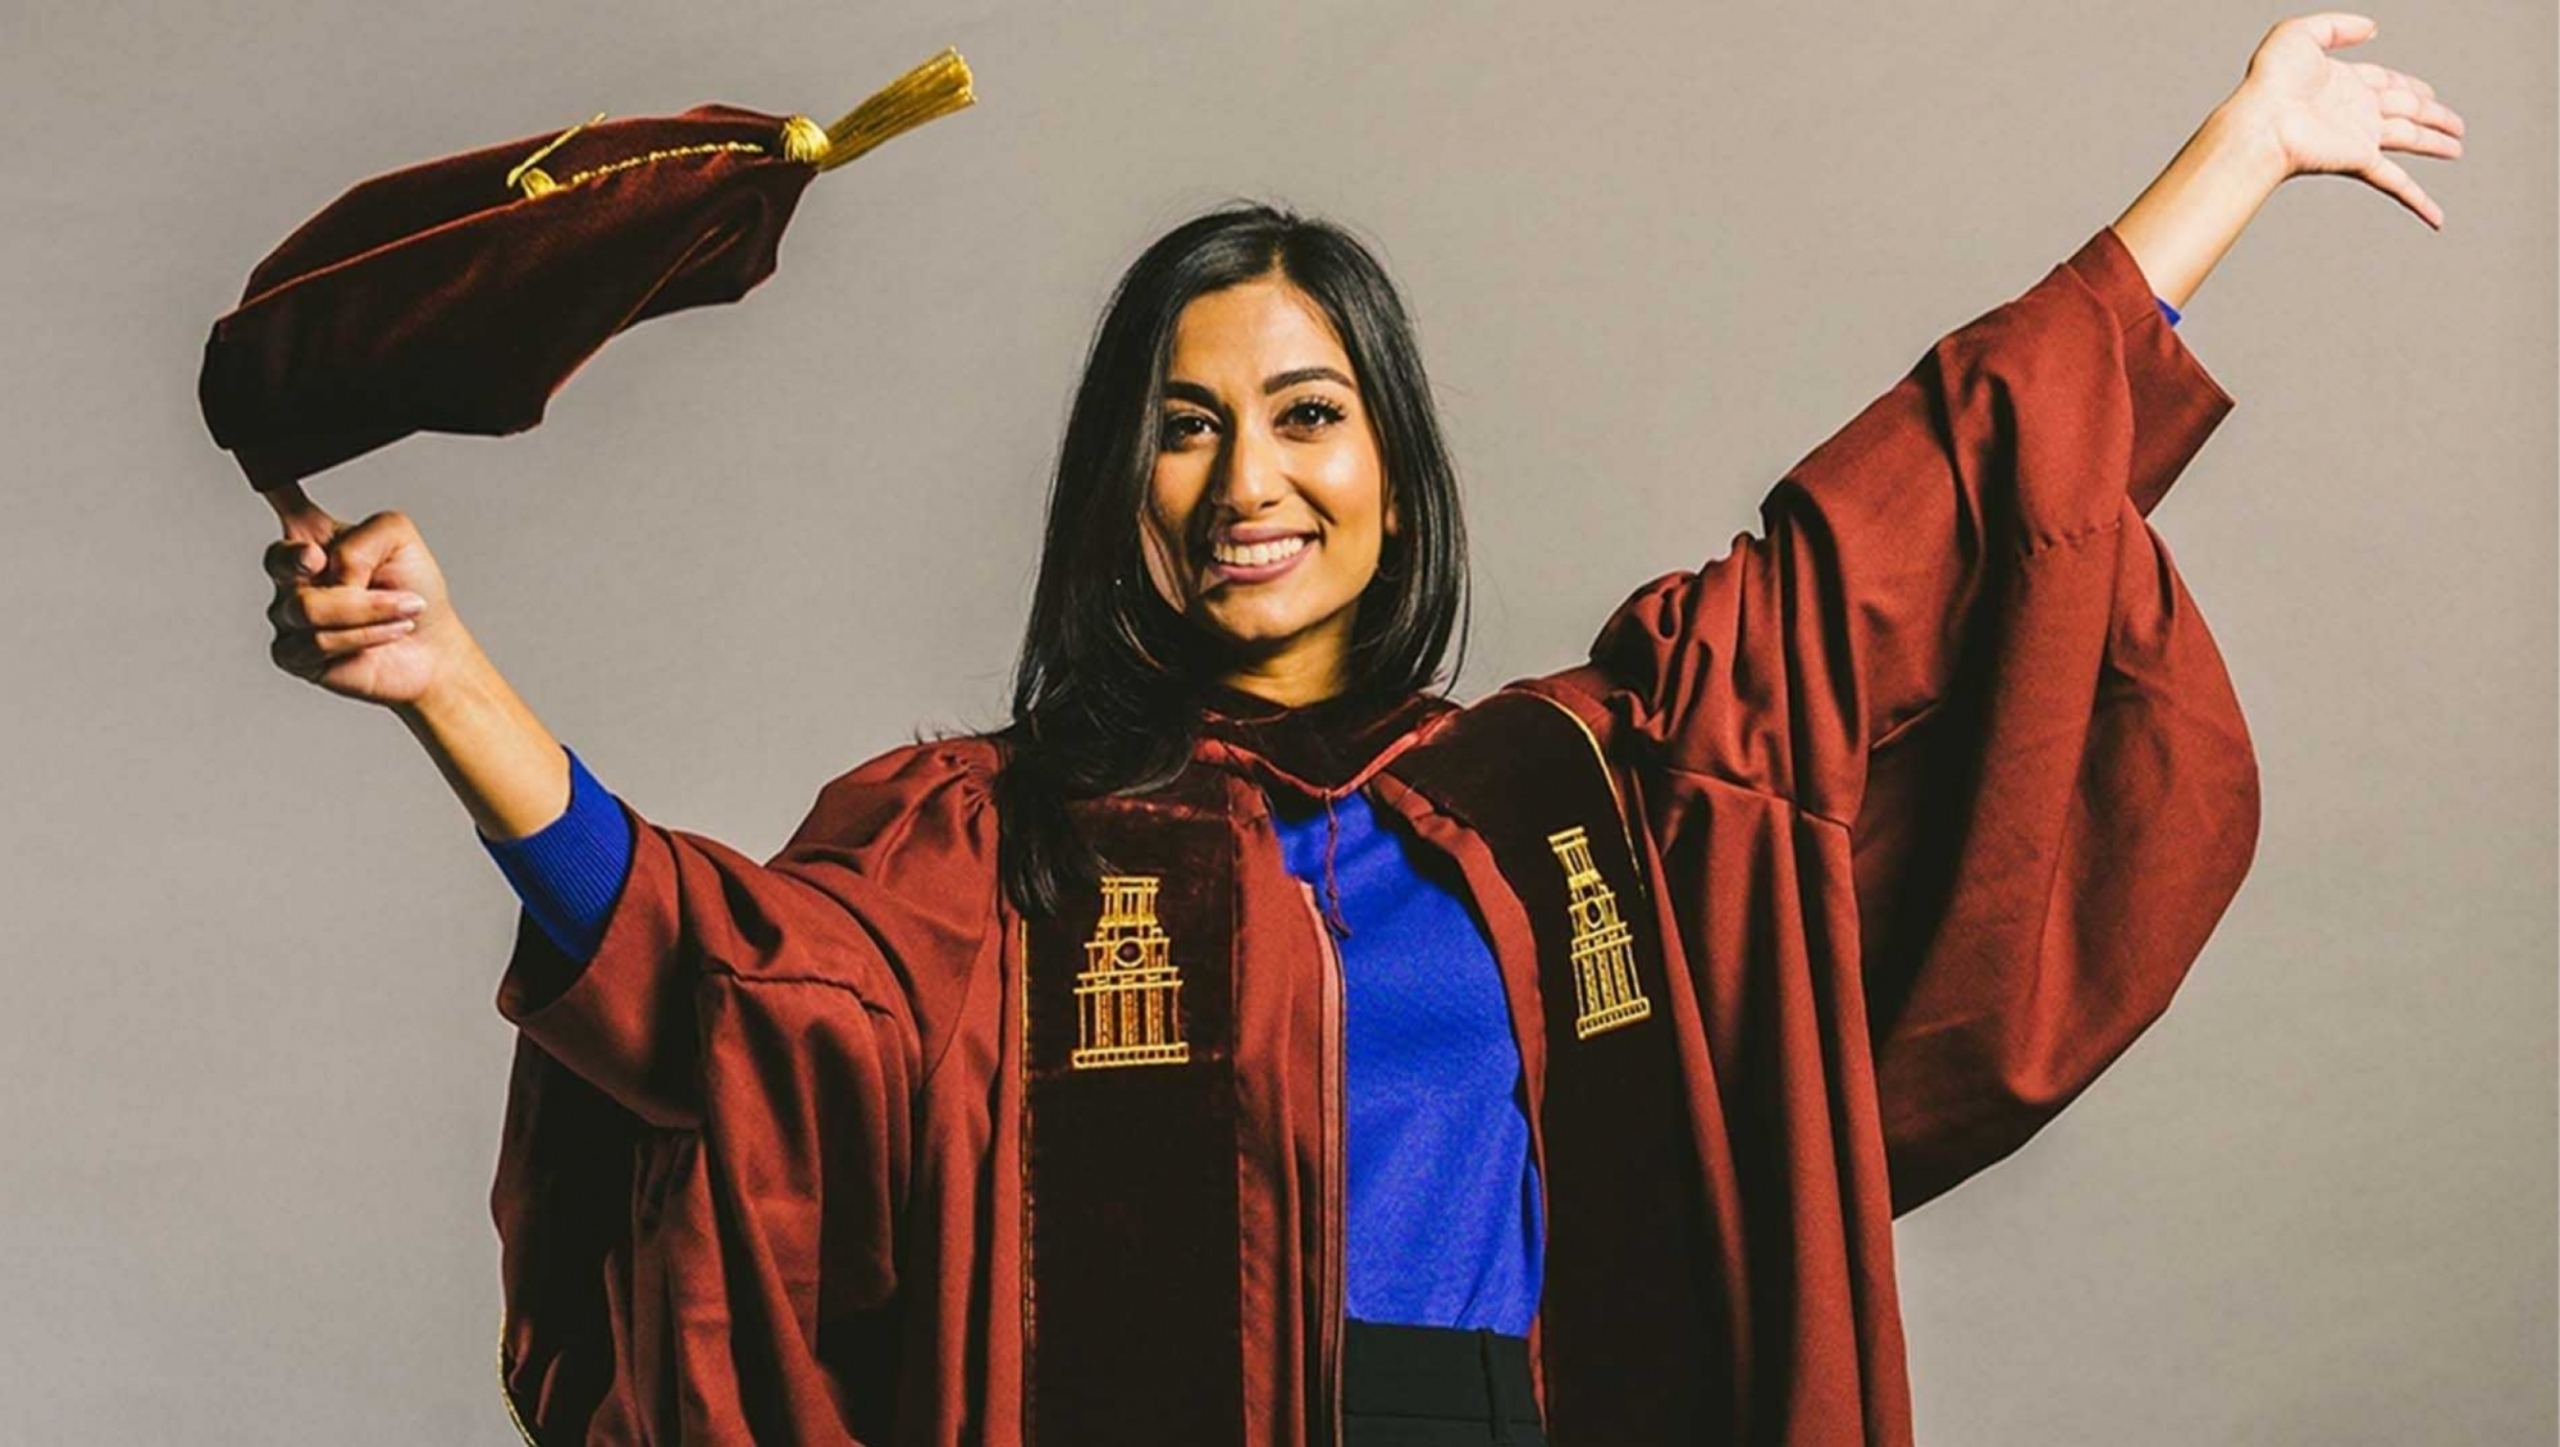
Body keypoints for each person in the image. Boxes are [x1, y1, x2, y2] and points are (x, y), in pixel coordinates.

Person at [258, 14, 2460, 1445]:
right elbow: (728, 993)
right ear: (1116, 493)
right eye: (1184, 430)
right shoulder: (993, 849)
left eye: (1305, 418)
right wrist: (453, 681)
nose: (1248, 486)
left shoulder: (1579, 787)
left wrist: (2230, 164)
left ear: (1389, 463)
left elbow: (1914, 508)